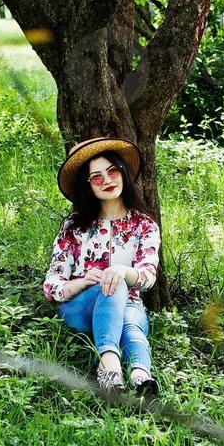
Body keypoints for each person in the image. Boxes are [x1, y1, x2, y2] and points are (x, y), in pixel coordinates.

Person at [43, 137, 161, 396]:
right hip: (81, 307)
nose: (107, 180)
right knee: (113, 285)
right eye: (96, 177)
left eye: (112, 171)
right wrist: (83, 282)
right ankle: (109, 365)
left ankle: (141, 377)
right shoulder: (75, 227)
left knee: (131, 321)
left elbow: (148, 276)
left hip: (129, 306)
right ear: (88, 187)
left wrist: (121, 271)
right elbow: (52, 285)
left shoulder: (144, 226)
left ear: (123, 173)